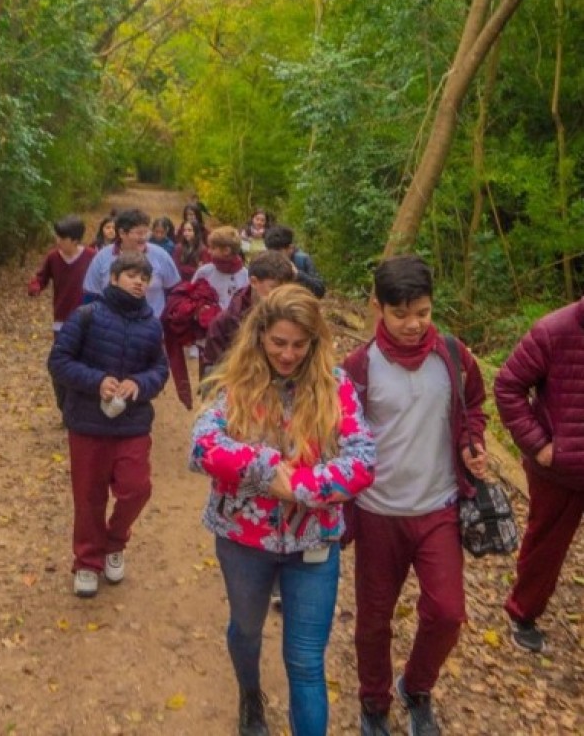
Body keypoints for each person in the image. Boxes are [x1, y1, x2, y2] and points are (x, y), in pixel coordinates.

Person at [190, 284, 376, 736]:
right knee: (247, 631)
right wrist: (264, 466)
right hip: (243, 540)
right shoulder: (237, 383)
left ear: (315, 342)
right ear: (260, 336)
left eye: (299, 344)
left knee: (307, 661)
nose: (288, 354)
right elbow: (202, 445)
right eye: (278, 343)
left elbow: (363, 459)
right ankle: (250, 693)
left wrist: (303, 488)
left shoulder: (336, 386)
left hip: (313, 543)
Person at [342, 255, 488, 736]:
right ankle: (374, 702)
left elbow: (474, 407)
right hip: (377, 511)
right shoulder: (360, 368)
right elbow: (338, 434)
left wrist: (474, 445)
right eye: (400, 313)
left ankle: (417, 687)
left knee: (448, 612)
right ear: (377, 307)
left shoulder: (452, 355)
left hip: (438, 508)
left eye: (422, 312)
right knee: (374, 620)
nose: (412, 324)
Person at [49, 253, 169, 598]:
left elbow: (159, 371)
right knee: (89, 496)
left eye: (144, 278)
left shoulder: (151, 324)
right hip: (87, 423)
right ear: (113, 279)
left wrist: (139, 384)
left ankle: (113, 543)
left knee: (137, 488)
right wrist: (97, 380)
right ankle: (87, 562)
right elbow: (59, 361)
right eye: (131, 275)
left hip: (132, 423)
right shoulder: (87, 315)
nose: (139, 282)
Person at [494, 298, 584, 654]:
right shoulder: (553, 330)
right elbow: (507, 386)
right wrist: (541, 446)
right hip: (558, 471)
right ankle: (523, 615)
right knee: (546, 546)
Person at [202, 250, 296, 376]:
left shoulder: (296, 317)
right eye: (274, 288)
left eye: (286, 288)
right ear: (253, 282)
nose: (281, 294)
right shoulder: (225, 322)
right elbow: (211, 373)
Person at [82, 208, 180, 318]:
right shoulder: (102, 258)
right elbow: (91, 296)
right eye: (139, 233)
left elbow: (175, 291)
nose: (143, 237)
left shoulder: (161, 256)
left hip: (151, 327)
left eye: (146, 232)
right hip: (110, 328)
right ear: (122, 233)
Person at [27, 214, 96, 338]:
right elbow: (41, 278)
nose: (58, 241)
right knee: (61, 354)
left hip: (85, 317)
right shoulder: (53, 257)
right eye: (57, 237)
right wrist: (35, 286)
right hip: (61, 317)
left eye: (62, 238)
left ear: (75, 240)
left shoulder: (91, 257)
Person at [191, 226, 249, 311]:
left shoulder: (245, 275)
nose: (208, 251)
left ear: (226, 251)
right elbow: (191, 295)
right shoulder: (204, 272)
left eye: (213, 248)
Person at [263, 224, 326, 299]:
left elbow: (320, 290)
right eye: (271, 252)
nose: (275, 256)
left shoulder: (302, 260)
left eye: (279, 252)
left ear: (290, 248)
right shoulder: (264, 263)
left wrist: (298, 275)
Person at [173, 219, 210, 283]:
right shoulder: (178, 248)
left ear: (196, 232)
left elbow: (204, 271)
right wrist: (194, 269)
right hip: (180, 282)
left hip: (196, 283)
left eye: (189, 230)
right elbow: (175, 267)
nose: (186, 233)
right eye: (184, 230)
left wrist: (186, 269)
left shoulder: (203, 250)